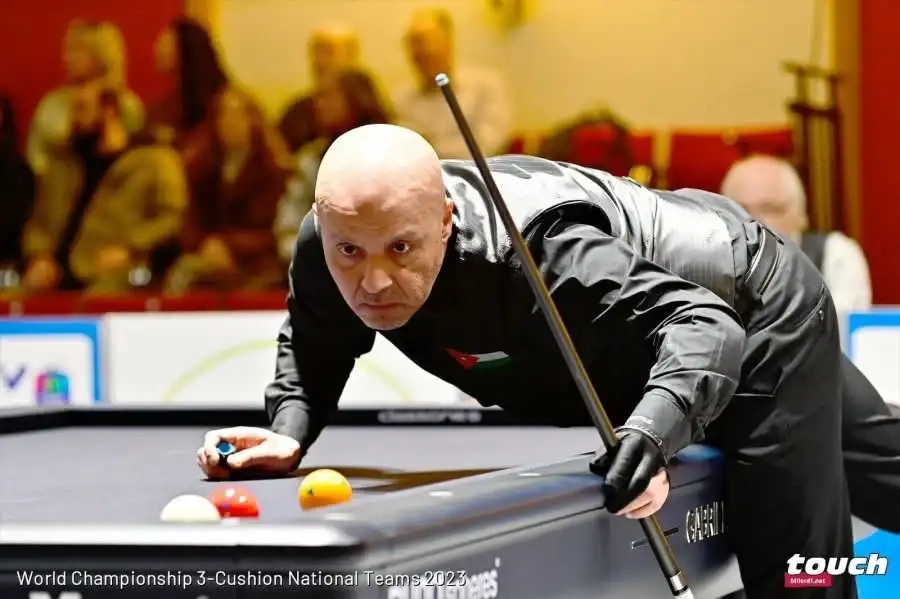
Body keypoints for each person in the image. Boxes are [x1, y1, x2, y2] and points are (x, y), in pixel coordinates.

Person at [199, 125, 889, 598]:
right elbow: (317, 340)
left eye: (401, 249)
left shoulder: (541, 252)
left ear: (445, 219)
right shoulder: (336, 238)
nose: (372, 280)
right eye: (349, 251)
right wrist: (290, 428)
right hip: (650, 352)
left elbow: (703, 326)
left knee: (798, 575)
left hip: (751, 310)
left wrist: (651, 433)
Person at [720, 154, 871, 313]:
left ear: (800, 214)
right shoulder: (709, 264)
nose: (753, 221)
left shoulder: (835, 255)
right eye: (738, 209)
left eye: (768, 209)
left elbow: (835, 324)